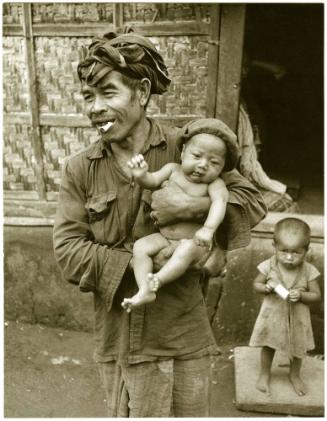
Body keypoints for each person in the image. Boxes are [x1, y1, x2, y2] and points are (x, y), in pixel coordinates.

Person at [53, 28, 267, 417]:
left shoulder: (188, 150)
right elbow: (69, 251)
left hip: (183, 333)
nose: (95, 107)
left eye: (108, 93)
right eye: (88, 96)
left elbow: (250, 199)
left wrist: (191, 213)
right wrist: (146, 263)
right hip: (120, 336)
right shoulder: (80, 169)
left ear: (144, 92)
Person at [121, 118, 239, 311]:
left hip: (195, 242)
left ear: (223, 167)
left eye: (214, 162)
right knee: (141, 247)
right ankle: (145, 289)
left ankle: (158, 279)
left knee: (185, 249)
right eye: (197, 156)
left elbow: (220, 203)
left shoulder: (215, 185)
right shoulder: (171, 170)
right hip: (165, 237)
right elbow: (151, 181)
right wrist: (141, 175)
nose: (203, 165)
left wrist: (208, 230)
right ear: (183, 152)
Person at [249, 217, 321, 396]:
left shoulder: (309, 270)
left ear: (306, 250)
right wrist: (265, 287)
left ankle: (294, 375)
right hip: (273, 314)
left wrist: (303, 295)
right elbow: (256, 284)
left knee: (298, 347)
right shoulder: (269, 265)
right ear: (274, 246)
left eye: (296, 252)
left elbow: (317, 296)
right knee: (268, 344)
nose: (289, 257)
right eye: (284, 251)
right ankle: (265, 374)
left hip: (298, 318)